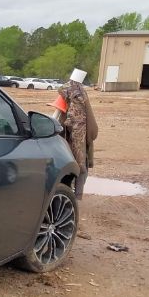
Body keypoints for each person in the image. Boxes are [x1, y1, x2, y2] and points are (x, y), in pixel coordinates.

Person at [48, 68, 98, 199]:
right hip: (80, 134)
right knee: (81, 161)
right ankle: (76, 194)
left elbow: (63, 115)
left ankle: (71, 195)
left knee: (77, 161)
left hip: (75, 133)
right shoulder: (81, 93)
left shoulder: (70, 92)